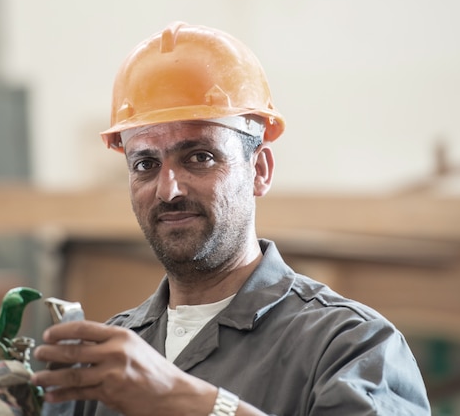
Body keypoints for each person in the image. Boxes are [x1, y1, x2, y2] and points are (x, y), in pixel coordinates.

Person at [31, 21, 430, 416]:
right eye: (146, 163)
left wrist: (188, 400)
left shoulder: (351, 347)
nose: (168, 189)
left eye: (199, 157)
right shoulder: (102, 362)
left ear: (260, 171)